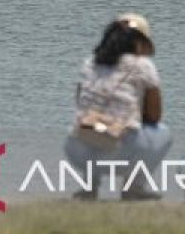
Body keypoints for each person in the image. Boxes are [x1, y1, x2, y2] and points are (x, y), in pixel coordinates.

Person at [64, 13, 172, 201]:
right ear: (139, 42)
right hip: (119, 154)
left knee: (93, 124)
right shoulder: (143, 65)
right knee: (162, 132)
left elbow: (80, 103)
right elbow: (154, 116)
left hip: (77, 150)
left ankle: (89, 187)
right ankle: (134, 187)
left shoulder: (90, 63)